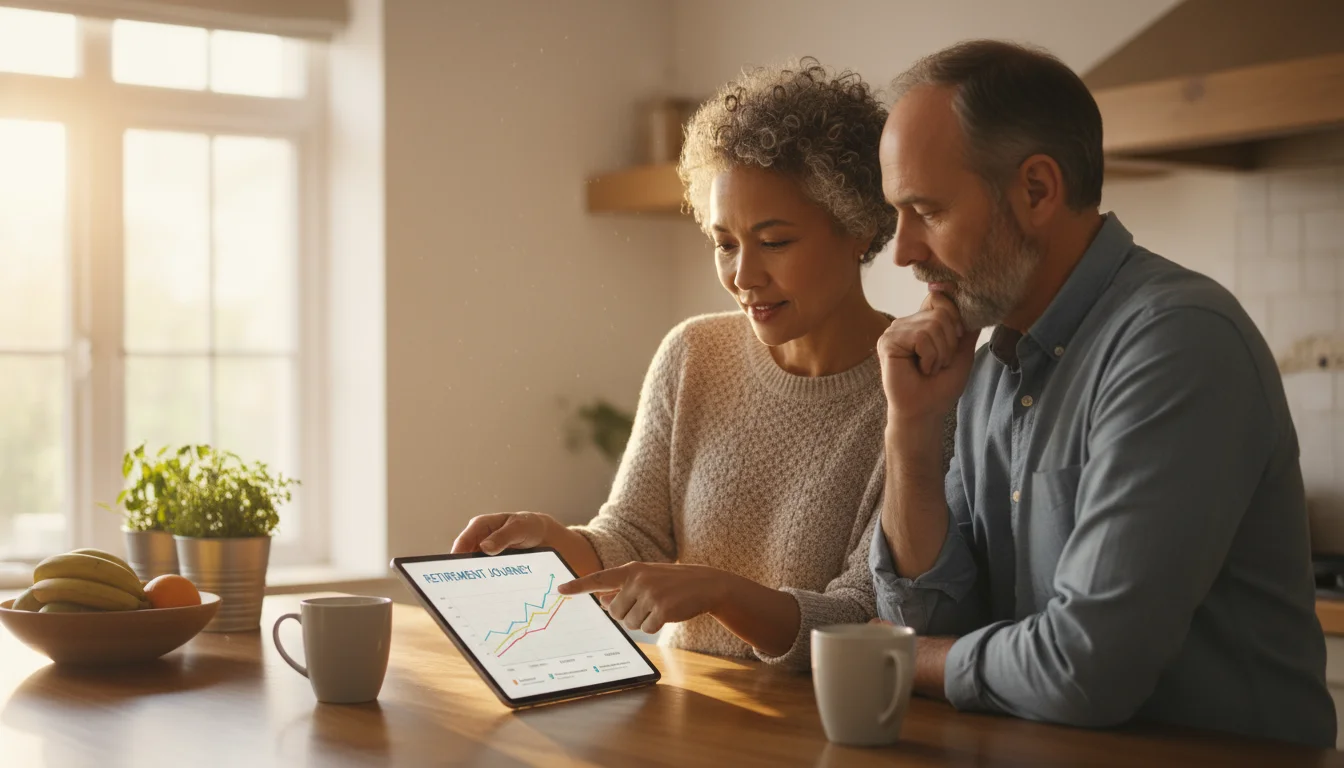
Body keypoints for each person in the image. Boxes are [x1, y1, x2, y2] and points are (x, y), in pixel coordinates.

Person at [870, 39, 1336, 747]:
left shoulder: (1177, 342)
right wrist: (910, 432)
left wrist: (903, 658)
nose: (902, 251)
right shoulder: (988, 360)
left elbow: (1084, 670)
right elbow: (934, 619)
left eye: (925, 210)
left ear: (1036, 190)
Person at [452, 60, 911, 669]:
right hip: (683, 717)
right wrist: (556, 540)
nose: (743, 277)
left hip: (824, 733)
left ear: (856, 226)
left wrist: (719, 591)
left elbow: (864, 618)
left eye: (774, 241)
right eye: (725, 244)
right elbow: (634, 537)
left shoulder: (916, 391)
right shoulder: (693, 354)